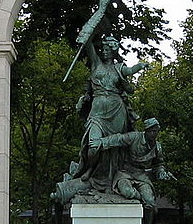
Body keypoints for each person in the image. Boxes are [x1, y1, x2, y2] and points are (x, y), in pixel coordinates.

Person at [74, 35, 149, 191]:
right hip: (97, 112)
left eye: (108, 49)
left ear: (114, 51)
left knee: (114, 147)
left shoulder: (119, 68)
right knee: (93, 146)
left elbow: (130, 70)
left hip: (116, 110)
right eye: (103, 49)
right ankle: (90, 168)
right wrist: (89, 30)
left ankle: (109, 178)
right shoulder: (96, 64)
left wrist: (140, 66)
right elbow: (88, 44)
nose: (104, 51)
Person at [97, 118, 174, 224]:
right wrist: (101, 142)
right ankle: (142, 199)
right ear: (145, 131)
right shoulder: (134, 137)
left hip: (142, 176)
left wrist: (161, 173)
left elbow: (159, 164)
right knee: (127, 191)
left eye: (155, 131)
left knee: (150, 203)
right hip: (125, 173)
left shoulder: (157, 147)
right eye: (150, 131)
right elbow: (119, 139)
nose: (153, 134)